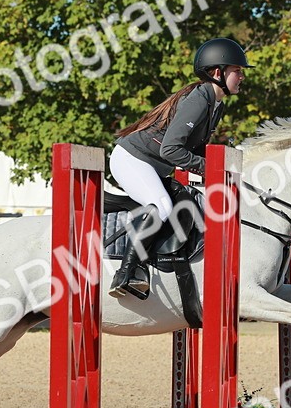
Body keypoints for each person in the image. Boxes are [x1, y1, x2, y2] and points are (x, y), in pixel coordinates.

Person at [107, 37, 251, 297]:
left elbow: (192, 151)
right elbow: (170, 150)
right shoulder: (199, 100)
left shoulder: (215, 105)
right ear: (217, 73)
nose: (241, 76)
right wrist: (211, 168)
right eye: (237, 70)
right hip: (132, 159)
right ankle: (126, 273)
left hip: (152, 164)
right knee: (162, 206)